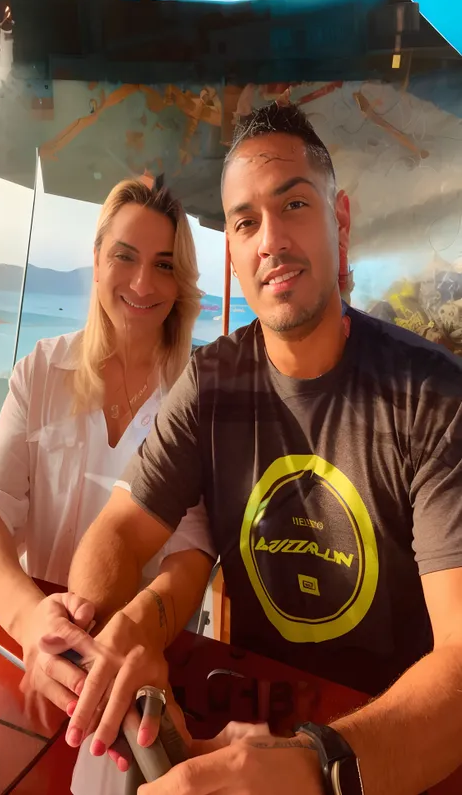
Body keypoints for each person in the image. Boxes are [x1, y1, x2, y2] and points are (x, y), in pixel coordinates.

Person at [57, 102, 462, 795]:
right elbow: (120, 532)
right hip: (247, 731)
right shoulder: (214, 381)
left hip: (391, 754)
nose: (269, 238)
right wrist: (110, 637)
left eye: (293, 204)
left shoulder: (432, 396)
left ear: (339, 221)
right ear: (233, 253)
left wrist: (317, 764)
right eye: (245, 221)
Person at [0, 178, 216, 793]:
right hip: (36, 661)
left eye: (164, 265)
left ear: (181, 283)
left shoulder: (196, 397)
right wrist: (31, 620)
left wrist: (132, 633)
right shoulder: (38, 372)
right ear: (95, 260)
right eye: (124, 256)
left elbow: (194, 554)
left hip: (139, 678)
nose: (143, 284)